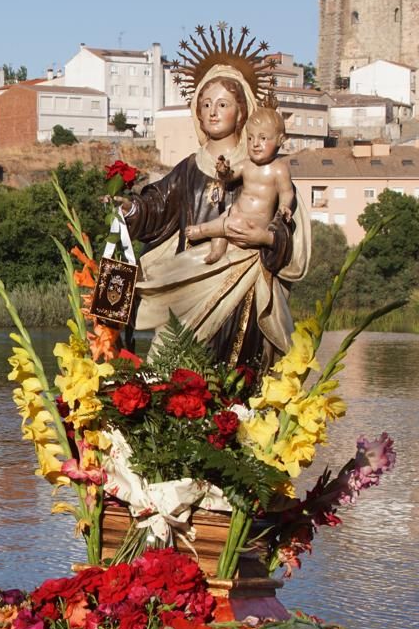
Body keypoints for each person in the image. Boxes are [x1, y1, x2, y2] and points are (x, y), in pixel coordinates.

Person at [117, 23, 311, 371]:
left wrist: (263, 237)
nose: (212, 111)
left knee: (235, 373)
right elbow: (157, 208)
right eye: (205, 103)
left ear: (242, 111)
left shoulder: (262, 167)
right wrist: (131, 207)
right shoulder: (189, 168)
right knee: (174, 367)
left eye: (222, 104)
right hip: (190, 275)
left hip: (243, 281)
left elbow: (287, 225)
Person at [185, 107, 294, 265]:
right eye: (250, 138)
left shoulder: (279, 169)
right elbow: (230, 177)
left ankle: (201, 230)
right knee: (223, 220)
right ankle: (217, 251)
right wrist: (223, 171)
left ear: (280, 140)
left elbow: (287, 192)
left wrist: (284, 207)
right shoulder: (247, 164)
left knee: (225, 224)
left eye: (263, 138)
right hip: (236, 215)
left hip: (254, 224)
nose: (255, 144)